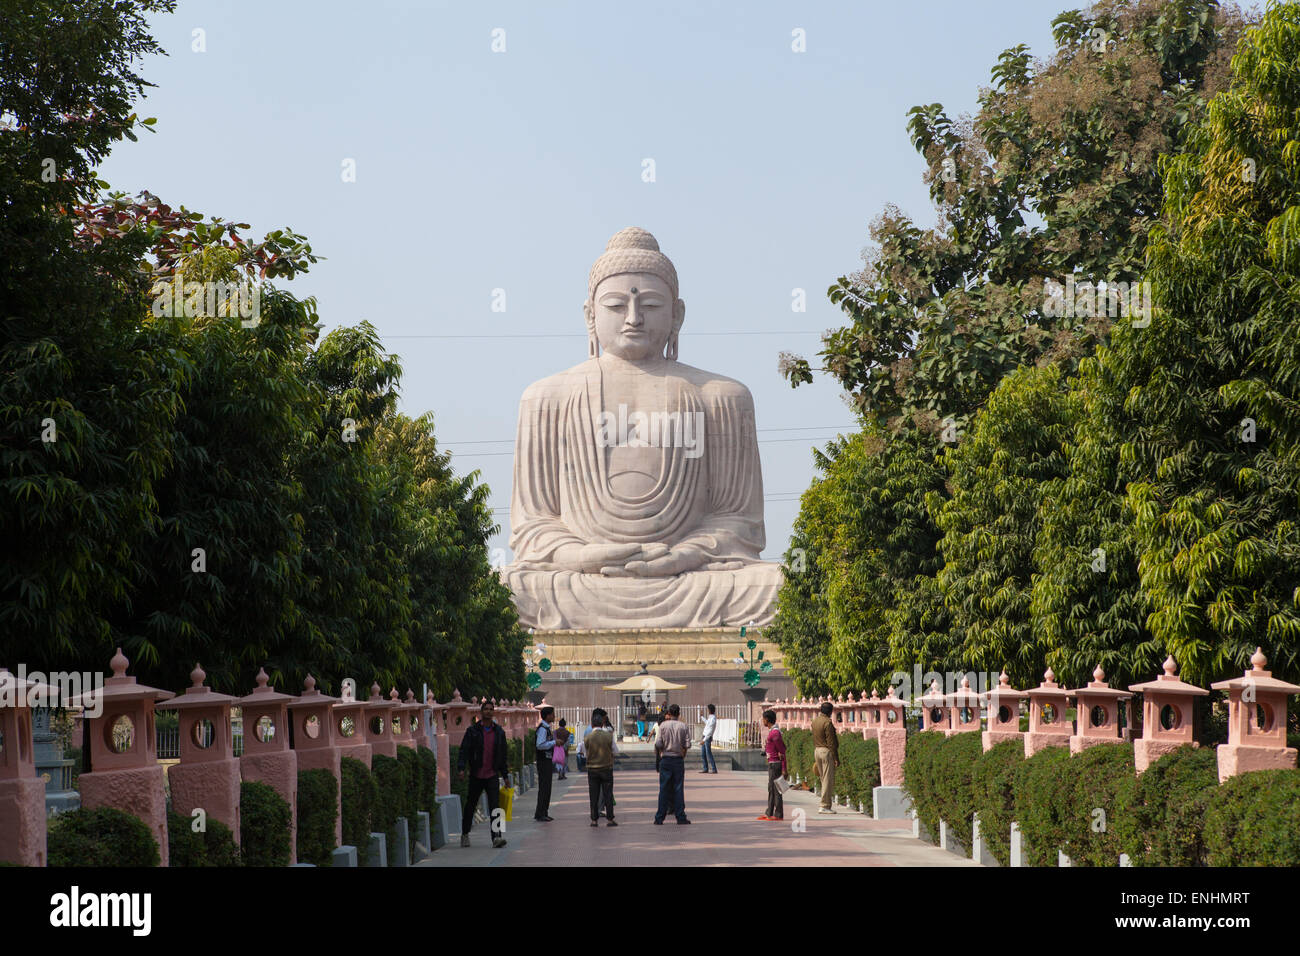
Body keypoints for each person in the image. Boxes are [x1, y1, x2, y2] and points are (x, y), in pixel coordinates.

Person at [455, 700, 510, 847]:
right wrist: (461, 768)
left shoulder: (499, 732)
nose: (488, 711)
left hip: (492, 774)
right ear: (481, 712)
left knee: (496, 807)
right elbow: (464, 751)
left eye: (491, 709)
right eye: (486, 709)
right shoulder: (472, 731)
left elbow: (503, 756)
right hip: (476, 774)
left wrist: (505, 776)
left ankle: (497, 837)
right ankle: (465, 834)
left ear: (493, 712)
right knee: (470, 806)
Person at [652, 703, 691, 825]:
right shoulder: (683, 726)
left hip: (666, 759)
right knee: (678, 789)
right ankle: (680, 816)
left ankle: (659, 817)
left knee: (663, 789)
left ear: (669, 713)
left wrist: (663, 749)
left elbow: (658, 744)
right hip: (678, 760)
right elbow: (688, 744)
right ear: (679, 714)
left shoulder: (663, 725)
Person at [585, 708, 618, 827]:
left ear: (593, 724)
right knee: (607, 794)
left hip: (592, 769)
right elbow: (615, 751)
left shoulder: (588, 737)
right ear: (602, 723)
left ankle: (594, 820)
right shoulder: (608, 736)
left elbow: (585, 753)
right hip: (606, 768)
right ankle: (610, 819)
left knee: (593, 795)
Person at [811, 700, 840, 814]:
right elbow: (831, 742)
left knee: (823, 779)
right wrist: (836, 757)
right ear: (830, 712)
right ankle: (825, 805)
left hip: (817, 750)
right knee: (828, 779)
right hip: (826, 751)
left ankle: (824, 804)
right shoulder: (827, 723)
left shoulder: (815, 721)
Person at [757, 709, 786, 821]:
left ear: (767, 720)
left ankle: (778, 813)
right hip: (772, 763)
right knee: (771, 789)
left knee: (776, 789)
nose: (762, 720)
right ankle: (769, 812)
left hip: (775, 764)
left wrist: (784, 768)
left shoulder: (775, 733)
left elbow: (782, 751)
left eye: (763, 718)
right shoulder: (773, 732)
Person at [534, 706, 557, 821]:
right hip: (543, 761)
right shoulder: (543, 729)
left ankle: (543, 811)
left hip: (546, 760)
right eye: (553, 714)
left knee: (547, 787)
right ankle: (541, 812)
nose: (554, 716)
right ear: (547, 716)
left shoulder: (546, 728)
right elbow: (540, 745)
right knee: (544, 787)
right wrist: (554, 742)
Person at [699, 703, 718, 774]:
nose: (707, 711)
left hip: (707, 737)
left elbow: (710, 732)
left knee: (708, 753)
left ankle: (714, 769)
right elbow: (707, 723)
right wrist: (702, 717)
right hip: (705, 736)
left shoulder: (713, 719)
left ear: (710, 710)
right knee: (703, 753)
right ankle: (705, 768)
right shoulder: (711, 718)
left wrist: (704, 740)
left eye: (708, 709)